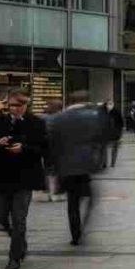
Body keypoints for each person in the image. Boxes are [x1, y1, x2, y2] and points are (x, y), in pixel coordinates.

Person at [0, 88, 48, 269]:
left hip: (24, 178)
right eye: (13, 105)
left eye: (20, 105)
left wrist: (24, 148)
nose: (16, 109)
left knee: (19, 218)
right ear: (7, 105)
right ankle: (19, 240)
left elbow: (44, 148)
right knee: (1, 217)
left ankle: (14, 257)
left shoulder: (36, 123)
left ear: (26, 105)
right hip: (0, 178)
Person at [47, 92, 105, 246]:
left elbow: (52, 142)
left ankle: (75, 233)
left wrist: (52, 165)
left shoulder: (59, 118)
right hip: (87, 165)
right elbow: (101, 137)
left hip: (66, 167)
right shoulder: (93, 116)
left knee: (72, 203)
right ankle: (85, 225)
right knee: (90, 198)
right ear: (84, 101)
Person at [104, 102, 125, 168]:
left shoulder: (116, 112)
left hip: (115, 134)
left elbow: (121, 123)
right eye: (108, 104)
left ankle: (112, 163)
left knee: (114, 149)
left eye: (111, 104)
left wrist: (120, 133)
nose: (109, 106)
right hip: (107, 134)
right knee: (104, 148)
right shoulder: (104, 113)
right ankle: (105, 163)